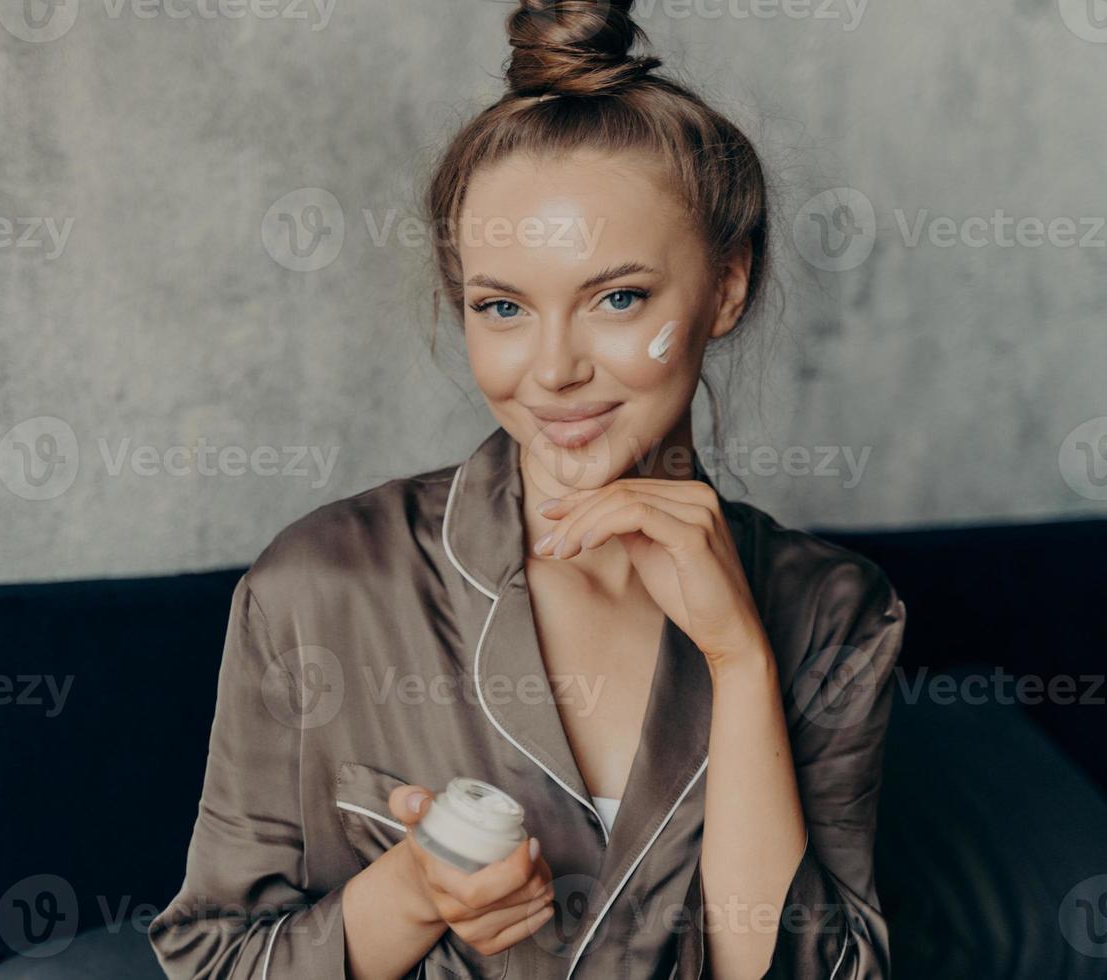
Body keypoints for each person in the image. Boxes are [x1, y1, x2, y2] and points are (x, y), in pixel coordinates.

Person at [149, 2, 906, 977]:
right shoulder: (320, 585)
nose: (552, 369)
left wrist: (740, 659)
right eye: (502, 307)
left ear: (726, 286)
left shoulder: (832, 614)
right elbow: (211, 959)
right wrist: (413, 893)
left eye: (618, 298)